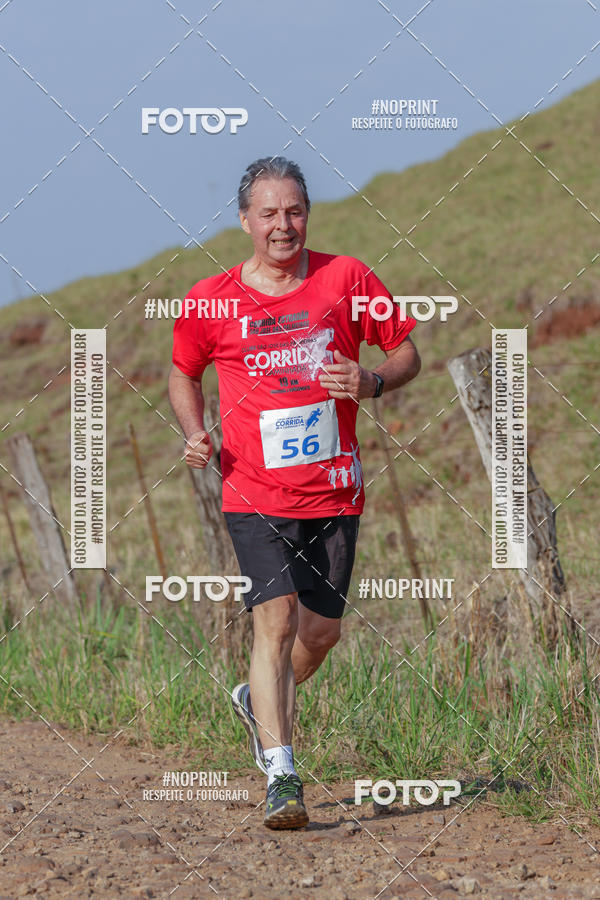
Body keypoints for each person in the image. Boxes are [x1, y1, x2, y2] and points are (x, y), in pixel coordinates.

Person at [168, 156, 420, 830]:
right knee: (273, 621)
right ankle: (283, 775)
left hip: (335, 492)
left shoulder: (348, 278)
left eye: (295, 211)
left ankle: (256, 699)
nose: (284, 225)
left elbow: (405, 352)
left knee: (320, 634)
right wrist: (196, 434)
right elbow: (182, 374)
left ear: (308, 214)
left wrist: (373, 383)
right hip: (252, 489)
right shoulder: (210, 299)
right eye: (270, 214)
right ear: (245, 221)